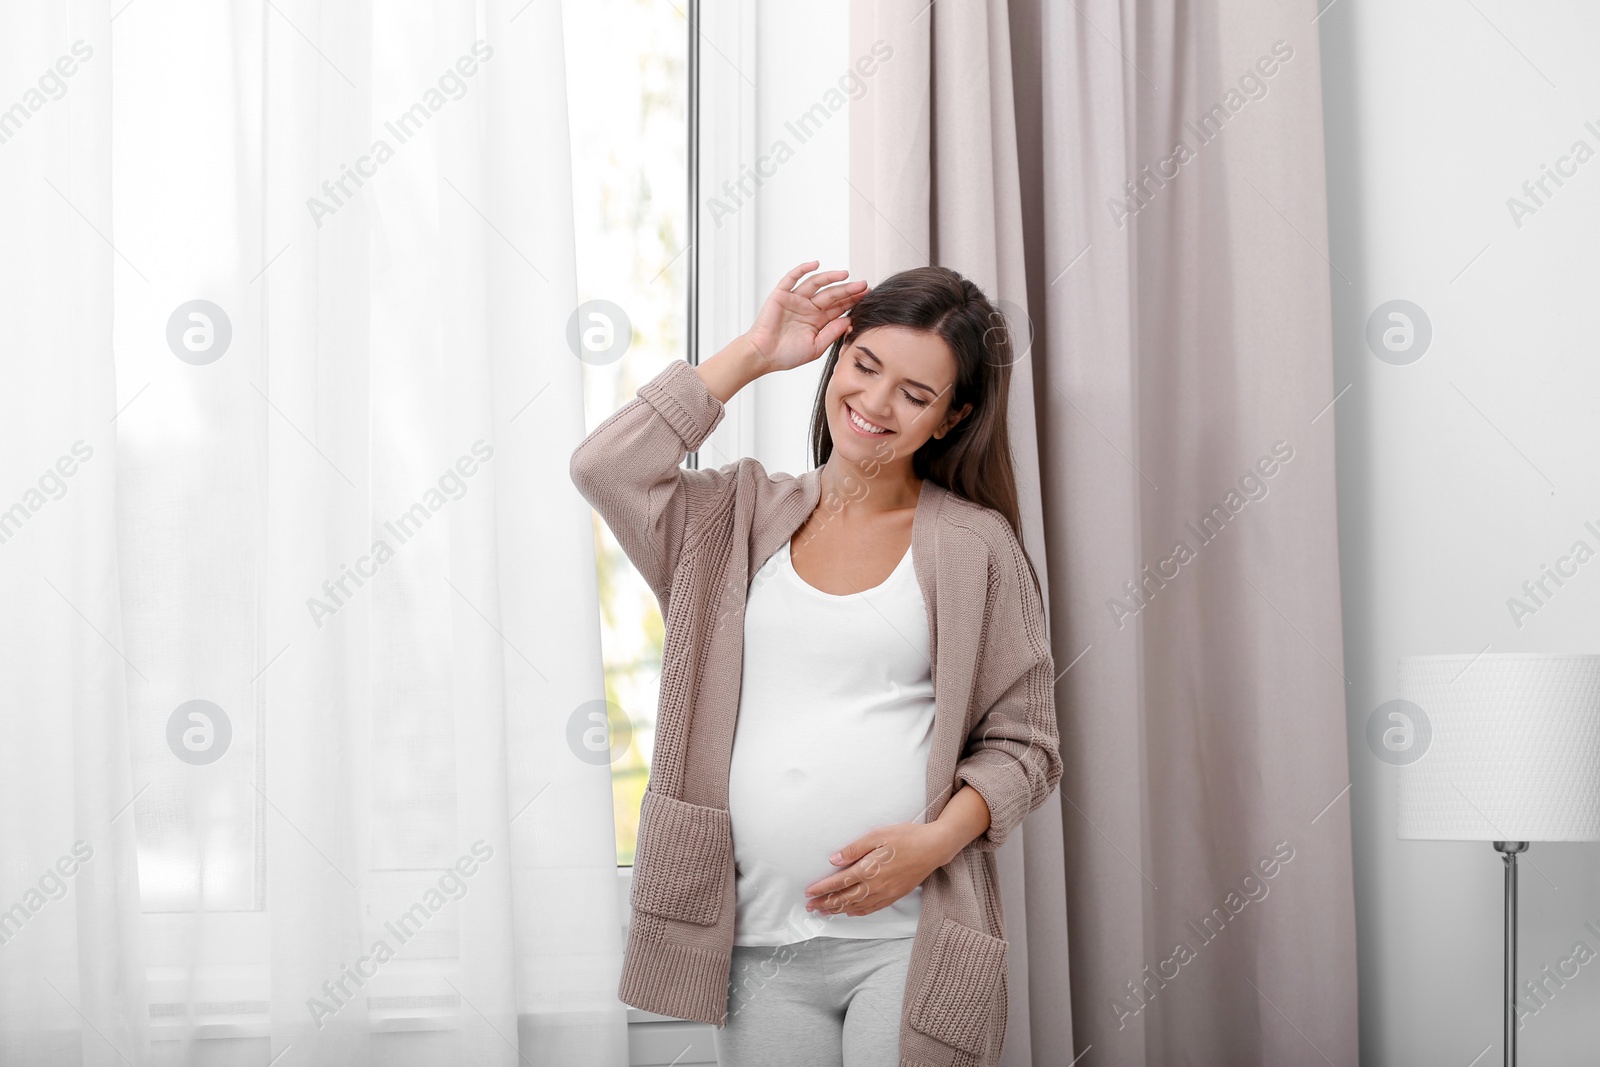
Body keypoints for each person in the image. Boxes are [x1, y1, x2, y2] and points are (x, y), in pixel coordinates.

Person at [570, 261, 1063, 1067]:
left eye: (914, 393)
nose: (873, 404)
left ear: (950, 417)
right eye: (864, 366)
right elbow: (604, 467)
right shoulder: (728, 519)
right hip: (758, 945)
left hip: (911, 939)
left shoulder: (975, 546)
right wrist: (757, 351)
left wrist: (936, 841)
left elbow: (1027, 745)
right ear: (835, 360)